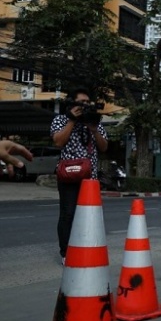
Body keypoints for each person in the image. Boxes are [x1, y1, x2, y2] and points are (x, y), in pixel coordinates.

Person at [50, 88, 108, 265]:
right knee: (68, 214)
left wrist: (93, 129)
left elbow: (104, 147)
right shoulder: (60, 120)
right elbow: (58, 142)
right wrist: (72, 121)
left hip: (90, 178)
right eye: (81, 102)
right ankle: (66, 252)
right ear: (72, 104)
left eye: (87, 103)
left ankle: (86, 247)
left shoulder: (94, 121)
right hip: (68, 175)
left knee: (89, 215)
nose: (85, 106)